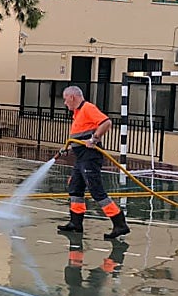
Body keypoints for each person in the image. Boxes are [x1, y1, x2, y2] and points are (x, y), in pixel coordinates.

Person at [56, 85, 130, 240]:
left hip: (90, 157)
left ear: (72, 97)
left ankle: (119, 223)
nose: (64, 103)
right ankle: (76, 223)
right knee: (75, 189)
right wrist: (69, 147)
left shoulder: (88, 108)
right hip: (81, 158)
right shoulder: (77, 113)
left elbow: (106, 123)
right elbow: (79, 135)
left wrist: (94, 139)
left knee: (96, 191)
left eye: (65, 99)